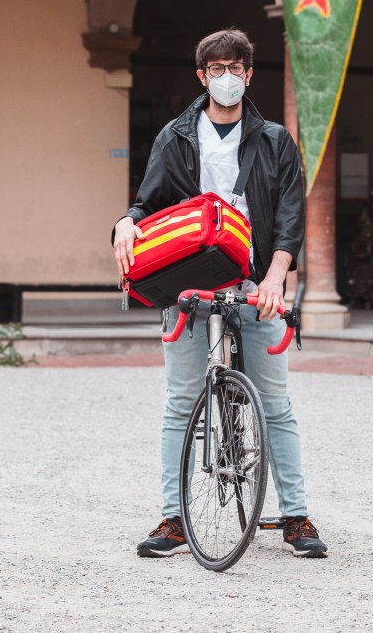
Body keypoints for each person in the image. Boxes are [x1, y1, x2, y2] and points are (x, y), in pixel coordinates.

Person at [112, 28, 327, 559]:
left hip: (256, 285)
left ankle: (296, 516)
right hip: (189, 283)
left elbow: (289, 220)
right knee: (181, 400)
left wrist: (277, 278)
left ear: (249, 75)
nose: (226, 78)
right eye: (216, 69)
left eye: (236, 68)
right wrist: (125, 222)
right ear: (201, 76)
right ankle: (174, 518)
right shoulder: (176, 136)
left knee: (274, 403)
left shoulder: (275, 140)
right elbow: (148, 201)